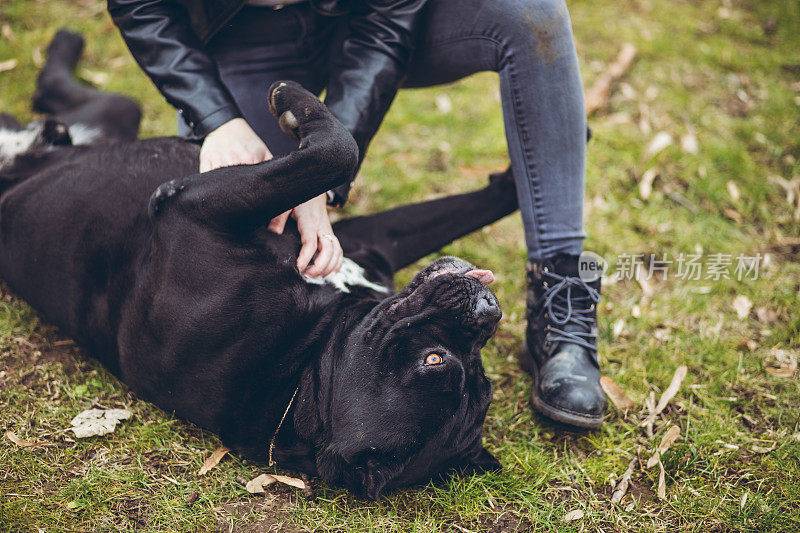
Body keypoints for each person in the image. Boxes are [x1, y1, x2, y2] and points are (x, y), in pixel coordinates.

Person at [108, 0, 607, 428]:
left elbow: (386, 27)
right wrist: (216, 117)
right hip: (239, 35)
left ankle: (562, 300)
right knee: (253, 235)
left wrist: (321, 184)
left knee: (532, 12)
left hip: (358, 19)